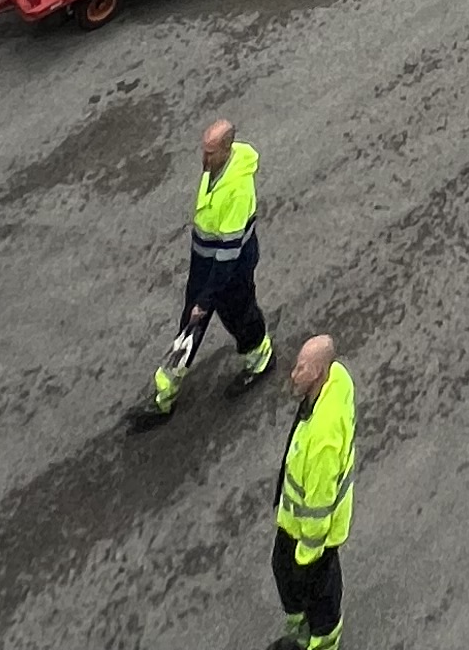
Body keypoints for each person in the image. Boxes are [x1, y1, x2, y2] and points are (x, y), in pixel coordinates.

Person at [143, 117, 274, 421]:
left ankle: (260, 358)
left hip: (230, 271)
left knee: (238, 317)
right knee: (192, 326)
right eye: (204, 150)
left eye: (211, 152)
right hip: (206, 264)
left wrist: (205, 299)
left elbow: (228, 253)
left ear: (227, 150)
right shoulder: (218, 169)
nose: (204, 158)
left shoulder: (237, 190)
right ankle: (165, 394)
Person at [274, 336, 358, 644]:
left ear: (320, 373)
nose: (294, 374)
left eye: (302, 369)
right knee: (283, 572)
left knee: (318, 596)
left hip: (312, 539)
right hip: (295, 525)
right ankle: (301, 628)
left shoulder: (323, 441)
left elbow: (318, 506)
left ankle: (320, 641)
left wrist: (306, 557)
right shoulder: (336, 380)